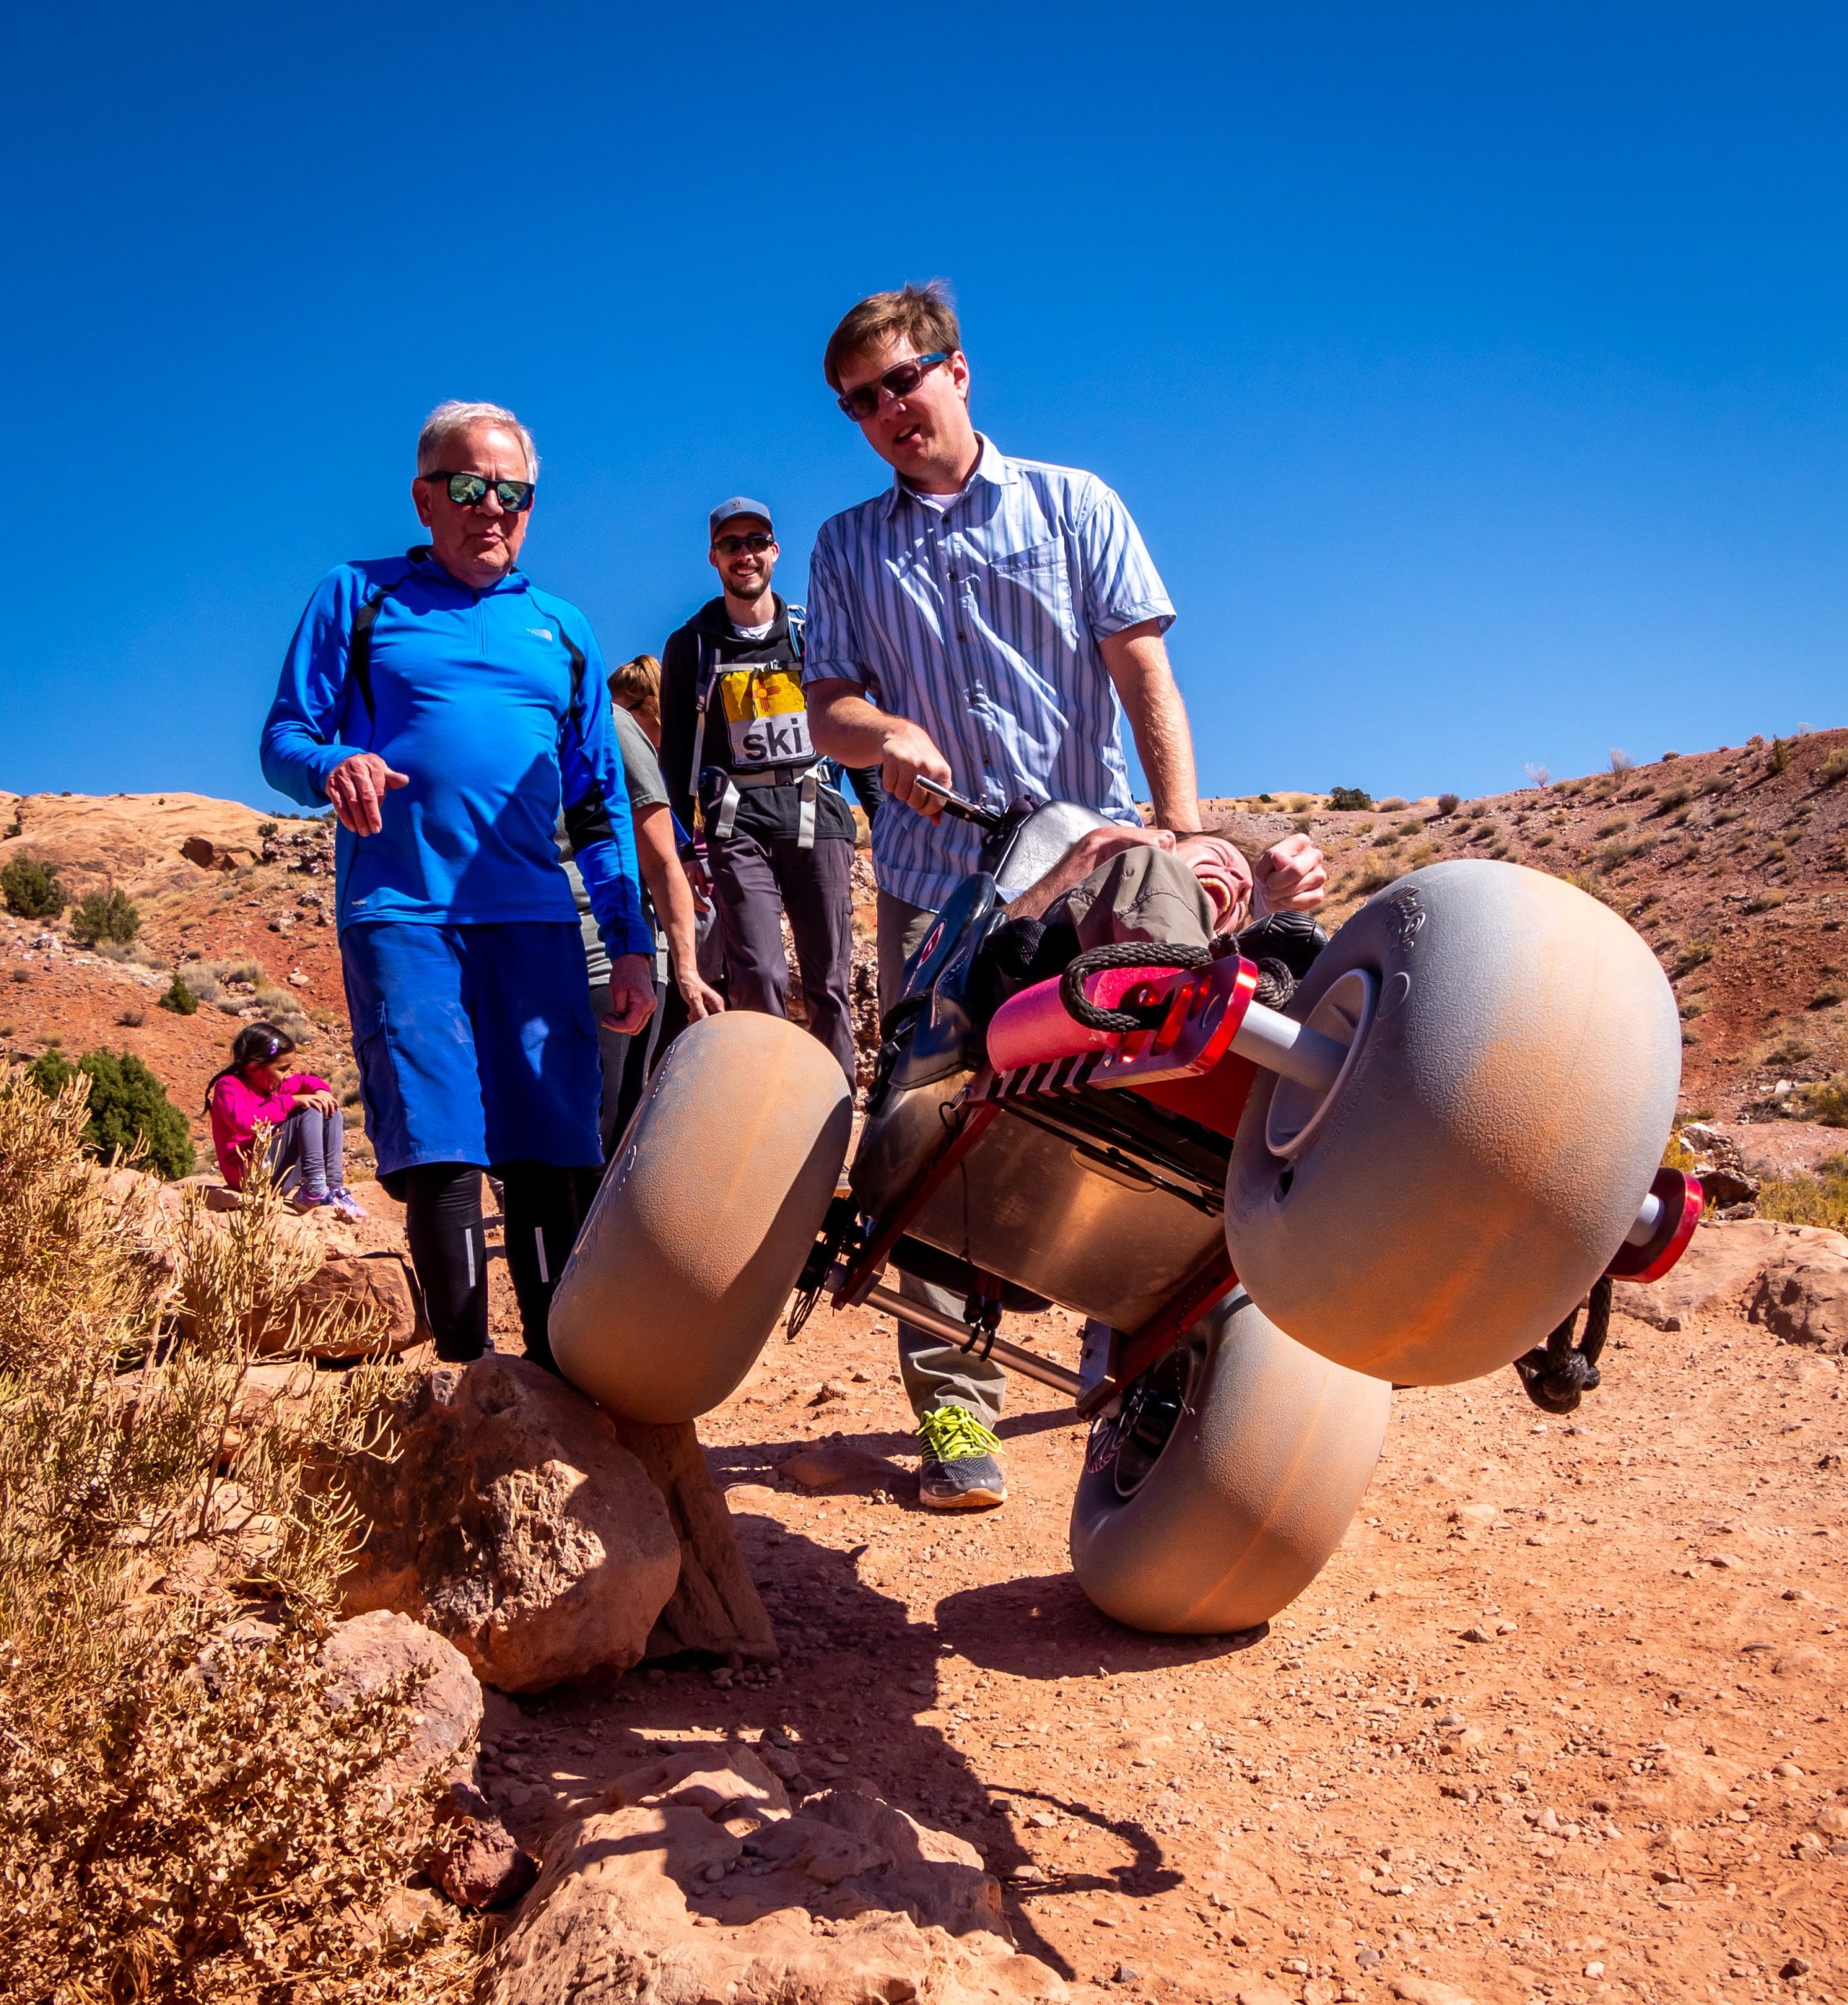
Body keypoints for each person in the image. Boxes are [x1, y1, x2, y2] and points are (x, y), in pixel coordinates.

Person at [803, 281, 1327, 1511]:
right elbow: (827, 704)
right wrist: (882, 734)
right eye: (858, 402)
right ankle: (954, 1417)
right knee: (933, 1131)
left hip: (1097, 871)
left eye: (901, 382)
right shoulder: (844, 547)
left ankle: (1142, 1364)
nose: (886, 413)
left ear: (958, 371)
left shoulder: (1073, 503)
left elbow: (1145, 672)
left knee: (1155, 1101)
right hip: (941, 888)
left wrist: (1191, 841)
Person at [260, 399, 655, 1368]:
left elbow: (600, 801)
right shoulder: (357, 597)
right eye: (470, 487)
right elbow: (284, 738)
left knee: (551, 1146)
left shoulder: (561, 629)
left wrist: (632, 940)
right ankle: (472, 1381)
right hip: (404, 914)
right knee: (439, 1143)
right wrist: (333, 765)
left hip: (535, 920)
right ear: (425, 498)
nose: (493, 509)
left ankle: (561, 1376)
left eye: (513, 493)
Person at [659, 499, 873, 1085]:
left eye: (755, 541)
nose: (744, 554)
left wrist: (884, 816)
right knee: (757, 975)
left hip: (817, 815)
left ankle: (832, 1114)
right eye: (731, 545)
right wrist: (680, 849)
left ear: (775, 550)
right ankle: (768, 1112)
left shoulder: (812, 634)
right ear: (714, 558)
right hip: (736, 823)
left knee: (830, 980)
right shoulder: (693, 646)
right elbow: (675, 752)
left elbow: (849, 721)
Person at [562, 657, 724, 1154]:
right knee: (611, 1120)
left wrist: (684, 967)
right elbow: (667, 863)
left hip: (606, 952)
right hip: (602, 954)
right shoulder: (610, 725)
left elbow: (668, 860)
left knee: (610, 1120)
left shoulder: (600, 731)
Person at [205, 1021, 364, 1220]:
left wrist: (322, 1091)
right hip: (248, 1175)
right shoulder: (229, 1086)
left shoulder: (271, 1085)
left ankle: (333, 1186)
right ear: (254, 1068)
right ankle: (314, 1188)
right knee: (308, 1110)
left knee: (328, 1109)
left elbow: (307, 1081)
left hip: (273, 1174)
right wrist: (292, 1101)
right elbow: (244, 1123)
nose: (286, 1075)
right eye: (282, 1069)